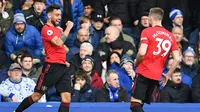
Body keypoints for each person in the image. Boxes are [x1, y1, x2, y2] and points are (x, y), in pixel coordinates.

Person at [15, 4, 73, 112]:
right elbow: (59, 42)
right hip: (52, 67)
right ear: (49, 15)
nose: (59, 17)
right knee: (37, 96)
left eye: (60, 15)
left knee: (66, 98)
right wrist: (68, 28)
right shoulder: (46, 29)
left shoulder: (58, 30)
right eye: (56, 15)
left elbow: (62, 48)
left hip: (62, 66)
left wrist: (63, 59)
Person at [130, 7, 180, 112]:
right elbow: (177, 58)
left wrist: (136, 62)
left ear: (151, 17)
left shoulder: (147, 31)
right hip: (156, 75)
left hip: (144, 72)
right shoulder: (171, 36)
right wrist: (168, 74)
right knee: (140, 104)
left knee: (135, 105)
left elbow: (142, 52)